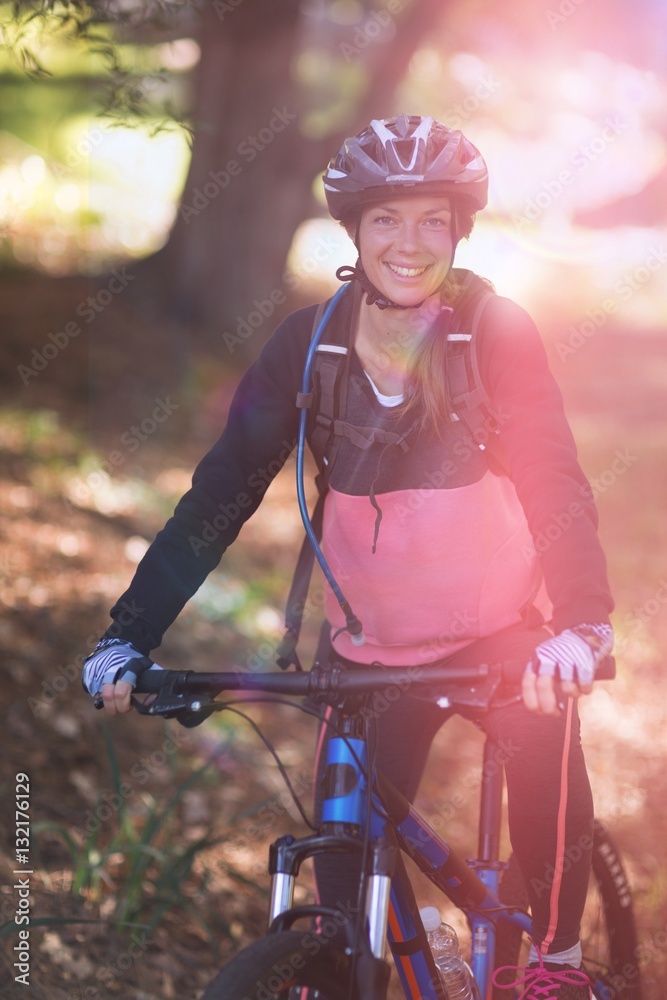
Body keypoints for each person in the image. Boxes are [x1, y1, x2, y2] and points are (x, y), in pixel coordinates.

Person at [83, 115, 613, 999]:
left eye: (432, 220)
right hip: (366, 651)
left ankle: (554, 964)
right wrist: (127, 634)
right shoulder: (308, 343)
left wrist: (582, 626)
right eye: (386, 220)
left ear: (459, 230)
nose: (409, 243)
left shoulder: (494, 334)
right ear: (354, 230)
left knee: (544, 749)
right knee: (341, 888)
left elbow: (556, 482)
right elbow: (221, 494)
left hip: (500, 640)